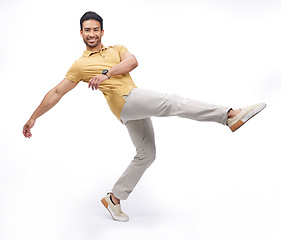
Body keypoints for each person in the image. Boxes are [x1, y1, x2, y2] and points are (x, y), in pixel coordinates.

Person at [23, 11, 266, 222]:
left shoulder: (117, 49)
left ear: (102, 31)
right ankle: (229, 116)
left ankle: (114, 198)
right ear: (81, 33)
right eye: (87, 30)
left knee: (147, 153)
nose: (92, 34)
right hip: (127, 101)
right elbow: (56, 92)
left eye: (96, 29)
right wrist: (34, 118)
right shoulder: (79, 66)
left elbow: (132, 62)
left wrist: (107, 73)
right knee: (174, 102)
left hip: (131, 105)